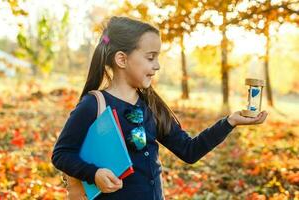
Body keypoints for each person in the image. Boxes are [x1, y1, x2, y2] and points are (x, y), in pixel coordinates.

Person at [51, 16, 268, 200]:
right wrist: (94, 173)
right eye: (150, 57)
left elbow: (189, 151)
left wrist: (229, 122)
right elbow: (61, 154)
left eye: (158, 57)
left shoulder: (151, 105)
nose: (157, 65)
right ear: (122, 59)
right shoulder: (94, 104)